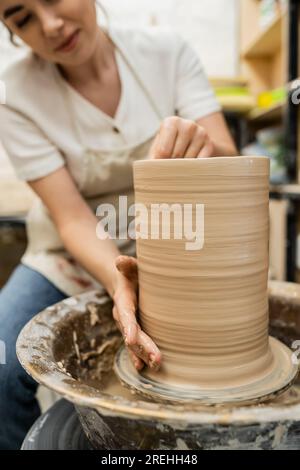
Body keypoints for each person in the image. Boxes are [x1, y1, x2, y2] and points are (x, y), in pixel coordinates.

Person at [0, 0, 238, 449]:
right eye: (22, 17)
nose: (50, 25)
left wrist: (205, 149)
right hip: (69, 255)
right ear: (10, 30)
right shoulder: (13, 92)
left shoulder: (167, 52)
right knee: (1, 369)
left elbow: (230, 159)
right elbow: (71, 218)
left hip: (178, 241)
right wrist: (118, 280)